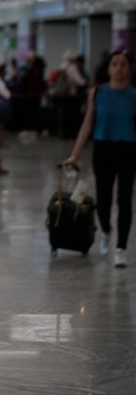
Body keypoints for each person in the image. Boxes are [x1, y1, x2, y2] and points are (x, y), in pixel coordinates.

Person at [63, 50, 136, 268]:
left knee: (124, 199)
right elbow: (87, 125)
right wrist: (75, 154)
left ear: (129, 69)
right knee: (103, 200)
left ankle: (121, 248)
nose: (119, 68)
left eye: (123, 64)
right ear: (108, 69)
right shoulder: (97, 93)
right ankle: (105, 230)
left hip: (127, 149)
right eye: (115, 64)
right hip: (103, 148)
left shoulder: (134, 95)